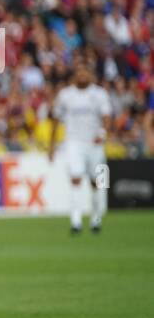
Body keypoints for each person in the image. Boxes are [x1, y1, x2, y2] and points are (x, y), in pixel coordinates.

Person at [48, 65, 112, 234]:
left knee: (97, 182)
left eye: (85, 72)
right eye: (79, 72)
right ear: (75, 75)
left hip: (95, 143)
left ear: (90, 74)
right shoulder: (65, 95)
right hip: (73, 143)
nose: (82, 75)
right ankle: (75, 222)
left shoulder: (99, 94)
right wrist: (52, 146)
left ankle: (96, 219)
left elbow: (106, 117)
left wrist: (103, 133)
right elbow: (56, 120)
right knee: (75, 179)